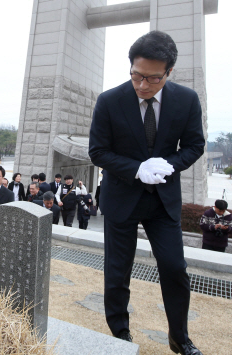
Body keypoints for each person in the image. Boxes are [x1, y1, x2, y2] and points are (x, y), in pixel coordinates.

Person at [88, 31, 205, 354]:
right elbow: (98, 152)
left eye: (153, 79)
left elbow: (195, 145)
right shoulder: (110, 101)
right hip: (121, 197)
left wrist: (168, 165)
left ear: (168, 73)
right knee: (117, 271)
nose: (143, 85)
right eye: (137, 76)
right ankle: (120, 333)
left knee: (174, 268)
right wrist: (136, 169)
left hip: (162, 202)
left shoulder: (186, 100)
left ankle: (179, 338)